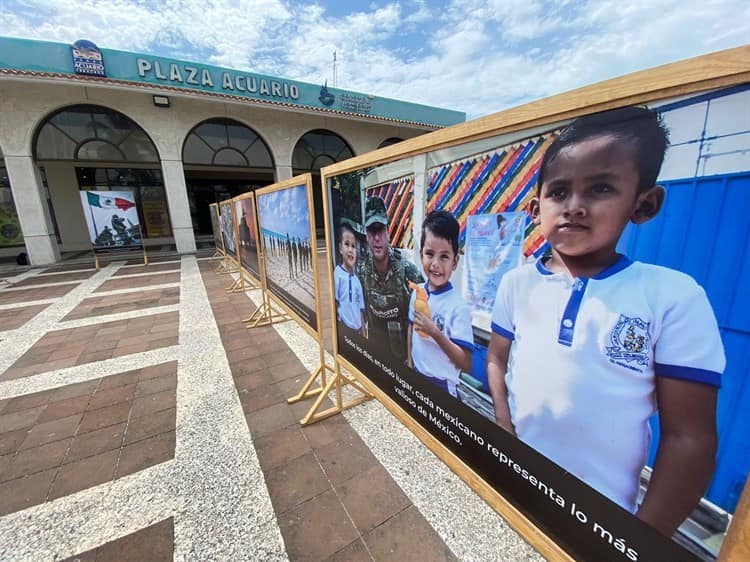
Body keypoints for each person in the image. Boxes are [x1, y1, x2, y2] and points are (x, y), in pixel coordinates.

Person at [486, 106, 725, 537]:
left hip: (600, 523)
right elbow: (497, 361)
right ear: (536, 204)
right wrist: (503, 427)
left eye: (599, 188)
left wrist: (633, 543)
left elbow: (691, 440)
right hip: (516, 485)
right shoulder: (516, 285)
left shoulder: (671, 297)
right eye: (558, 192)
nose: (574, 207)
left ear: (644, 204)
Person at [407, 210, 473, 399]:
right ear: (421, 255)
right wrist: (410, 363)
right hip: (418, 375)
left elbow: (465, 363)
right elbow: (411, 329)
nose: (435, 263)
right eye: (430, 254)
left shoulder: (457, 306)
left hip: (442, 386)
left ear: (454, 261)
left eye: (444, 256)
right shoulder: (417, 293)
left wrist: (435, 333)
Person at [358, 196, 424, 361]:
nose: (377, 238)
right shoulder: (362, 272)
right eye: (372, 231)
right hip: (377, 360)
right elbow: (362, 315)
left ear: (388, 234)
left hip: (403, 362)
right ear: (366, 236)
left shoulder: (408, 272)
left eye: (380, 230)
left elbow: (424, 320)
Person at [334, 220, 367, 339]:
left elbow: (361, 311)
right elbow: (335, 304)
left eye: (353, 246)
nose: (350, 250)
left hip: (358, 332)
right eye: (346, 244)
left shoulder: (357, 282)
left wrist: (364, 337)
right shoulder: (336, 274)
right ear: (340, 248)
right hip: (345, 330)